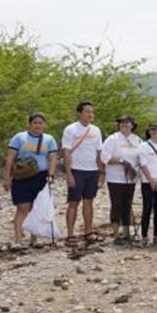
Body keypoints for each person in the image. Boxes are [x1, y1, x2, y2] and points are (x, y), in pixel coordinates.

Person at [3, 112, 58, 248]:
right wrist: (7, 178)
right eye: (35, 122)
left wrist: (51, 174)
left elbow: (52, 158)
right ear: (30, 124)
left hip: (40, 176)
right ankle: (18, 239)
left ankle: (34, 239)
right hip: (22, 176)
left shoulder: (49, 139)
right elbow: (10, 158)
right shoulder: (19, 138)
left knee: (36, 207)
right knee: (22, 207)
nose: (38, 125)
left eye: (40, 123)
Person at [61, 100, 104, 245]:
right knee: (73, 202)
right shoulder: (70, 129)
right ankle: (70, 234)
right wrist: (68, 173)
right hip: (76, 170)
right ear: (79, 113)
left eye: (91, 112)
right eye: (87, 112)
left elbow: (99, 152)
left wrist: (101, 173)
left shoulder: (96, 130)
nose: (90, 114)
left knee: (89, 202)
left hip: (92, 171)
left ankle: (88, 231)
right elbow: (66, 152)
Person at [101, 115, 143, 244]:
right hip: (115, 178)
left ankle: (126, 232)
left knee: (128, 204)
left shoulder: (137, 140)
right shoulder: (112, 139)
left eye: (128, 123)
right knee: (116, 204)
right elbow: (104, 157)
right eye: (122, 123)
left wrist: (136, 170)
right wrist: (121, 161)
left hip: (131, 178)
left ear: (132, 125)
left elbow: (142, 158)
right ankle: (115, 234)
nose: (125, 125)